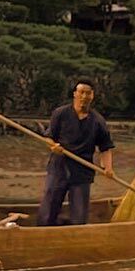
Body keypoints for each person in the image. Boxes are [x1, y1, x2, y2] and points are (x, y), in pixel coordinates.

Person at [37, 80, 115, 226]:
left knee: (79, 215)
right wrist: (54, 146)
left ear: (92, 96)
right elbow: (48, 137)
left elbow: (105, 147)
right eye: (81, 92)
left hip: (82, 172)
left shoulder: (98, 121)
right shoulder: (60, 113)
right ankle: (43, 233)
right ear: (75, 94)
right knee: (49, 209)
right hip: (59, 167)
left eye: (88, 93)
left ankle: (76, 237)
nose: (84, 96)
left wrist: (108, 168)